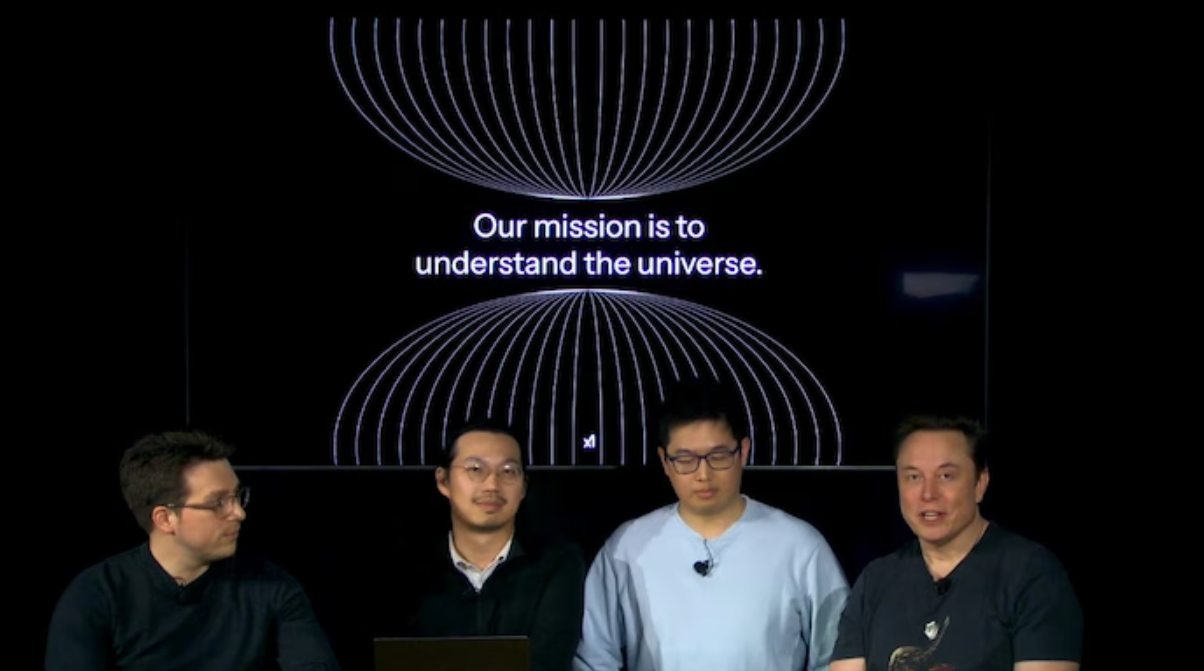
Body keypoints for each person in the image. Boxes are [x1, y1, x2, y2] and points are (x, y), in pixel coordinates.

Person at [574, 378, 850, 671]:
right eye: (685, 459)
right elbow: (594, 660)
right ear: (665, 462)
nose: (703, 474)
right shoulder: (627, 547)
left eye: (718, 456)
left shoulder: (800, 547)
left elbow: (839, 659)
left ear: (743, 451)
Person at [45, 430, 341, 671]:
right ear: (165, 519)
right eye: (218, 503)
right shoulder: (95, 595)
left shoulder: (274, 588)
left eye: (237, 496)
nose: (239, 513)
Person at [830, 416, 1083, 671]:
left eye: (946, 476)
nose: (928, 493)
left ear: (980, 483)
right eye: (914, 477)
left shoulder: (1033, 576)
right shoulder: (875, 581)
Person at [401, 418, 586, 671]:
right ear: (443, 481)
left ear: (523, 487)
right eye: (476, 469)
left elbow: (548, 662)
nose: (492, 485)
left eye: (508, 471)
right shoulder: (407, 568)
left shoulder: (557, 563)